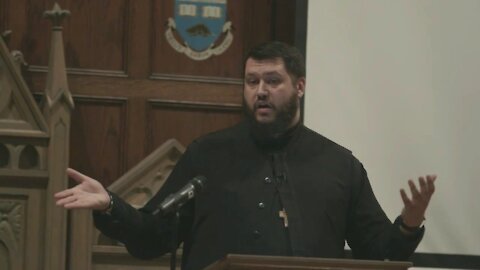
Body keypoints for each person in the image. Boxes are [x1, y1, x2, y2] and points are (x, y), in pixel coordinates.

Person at [55, 41, 436, 270]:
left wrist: (408, 224)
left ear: (299, 86)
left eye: (272, 81)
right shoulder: (208, 156)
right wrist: (109, 205)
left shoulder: (339, 165)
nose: (260, 91)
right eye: (252, 81)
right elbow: (151, 237)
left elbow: (378, 256)